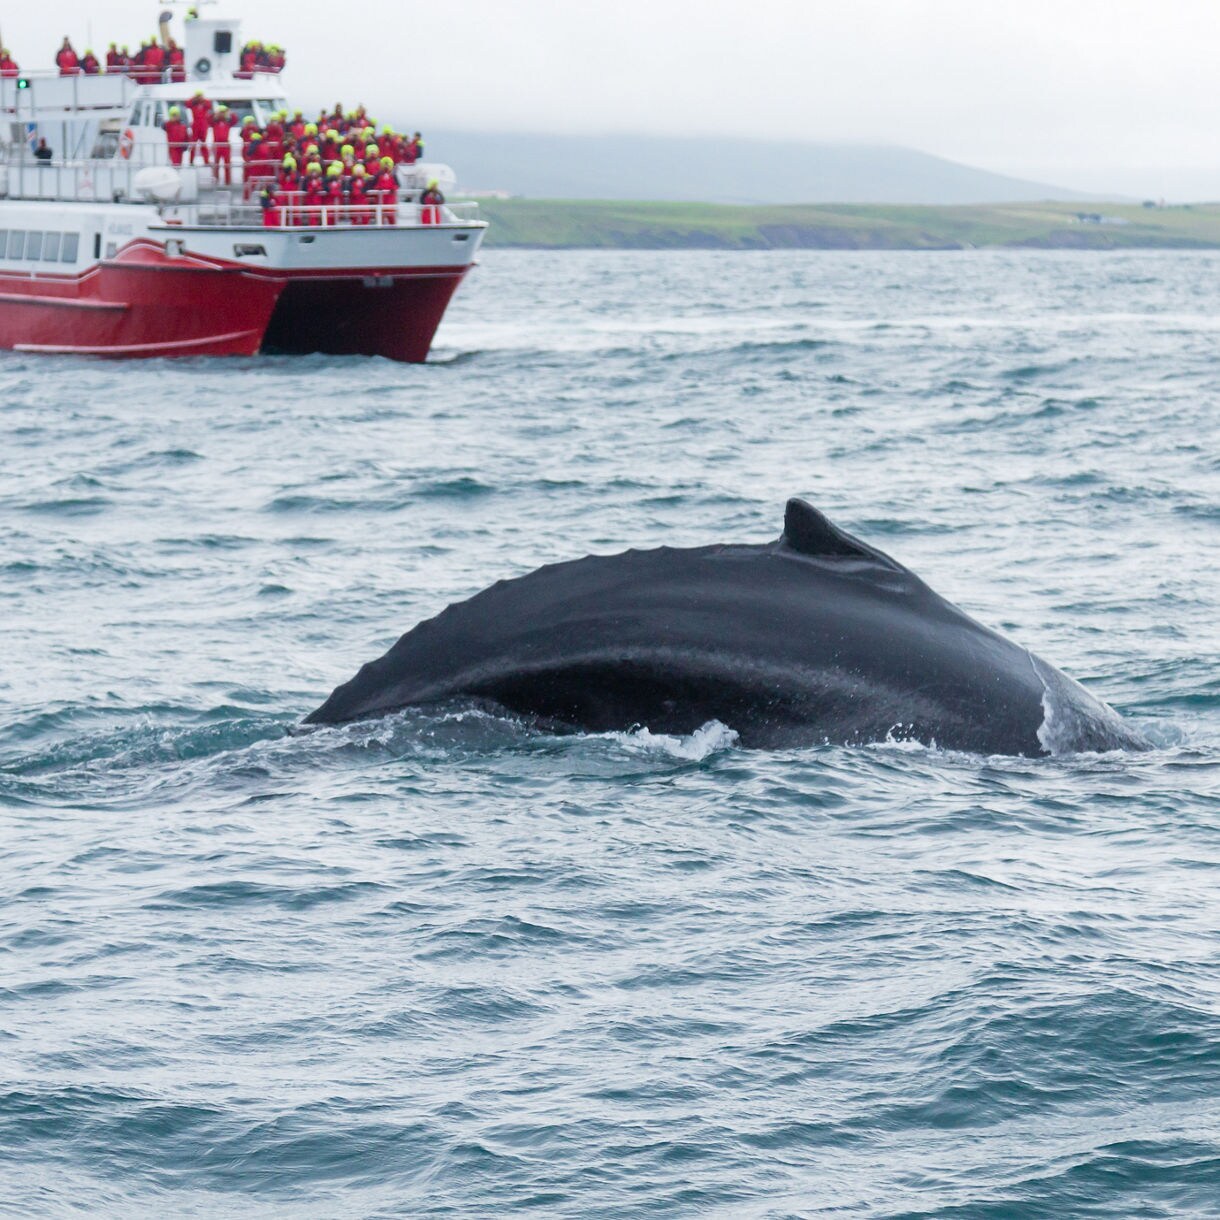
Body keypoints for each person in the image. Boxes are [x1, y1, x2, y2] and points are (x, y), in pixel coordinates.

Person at [187, 91, 211, 165]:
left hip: (203, 124)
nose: (199, 97)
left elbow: (209, 105)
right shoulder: (193, 103)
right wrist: (194, 99)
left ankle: (206, 161)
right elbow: (187, 104)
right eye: (198, 96)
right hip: (195, 124)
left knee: (203, 144)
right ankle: (191, 161)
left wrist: (202, 99)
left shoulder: (205, 103)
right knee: (193, 144)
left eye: (200, 96)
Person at [211, 105, 234, 184]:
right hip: (217, 145)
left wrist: (229, 112)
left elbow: (235, 119)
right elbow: (208, 118)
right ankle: (215, 180)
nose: (222, 114)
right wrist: (216, 113)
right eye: (221, 112)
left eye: (223, 113)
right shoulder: (214, 122)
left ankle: (228, 181)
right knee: (216, 164)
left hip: (226, 145)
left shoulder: (228, 122)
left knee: (227, 164)